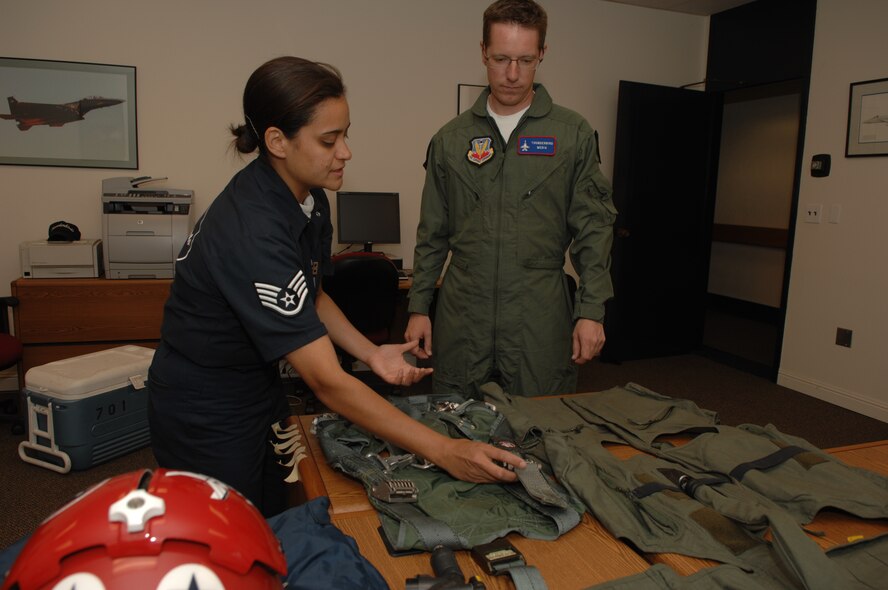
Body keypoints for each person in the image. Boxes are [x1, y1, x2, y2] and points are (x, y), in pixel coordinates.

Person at [147, 56, 524, 518]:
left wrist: (369, 352)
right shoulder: (253, 230)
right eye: (329, 140)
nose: (346, 152)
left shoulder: (308, 196)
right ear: (276, 141)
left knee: (276, 511)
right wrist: (444, 450)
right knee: (225, 533)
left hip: (254, 385)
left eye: (346, 134)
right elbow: (326, 381)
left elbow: (313, 293)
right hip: (203, 403)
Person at [405, 0, 617, 398]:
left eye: (525, 59)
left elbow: (594, 229)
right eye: (501, 58)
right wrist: (419, 307)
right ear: (483, 51)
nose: (513, 74)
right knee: (456, 427)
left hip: (538, 314)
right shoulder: (451, 140)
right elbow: (432, 232)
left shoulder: (572, 134)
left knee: (543, 429)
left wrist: (591, 311)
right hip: (464, 312)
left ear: (542, 54)